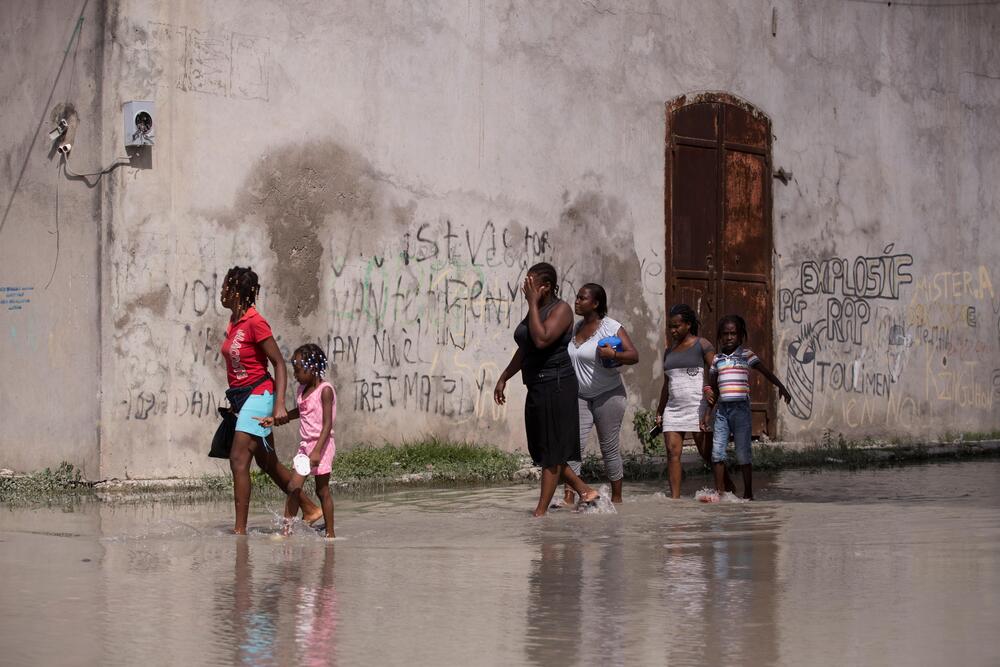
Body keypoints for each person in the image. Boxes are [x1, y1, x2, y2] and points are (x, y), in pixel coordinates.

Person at [219, 266, 321, 534]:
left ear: (237, 291)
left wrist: (278, 404)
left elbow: (278, 363)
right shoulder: (233, 322)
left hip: (261, 394)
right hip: (244, 398)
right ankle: (310, 508)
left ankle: (239, 532)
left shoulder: (255, 322)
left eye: (225, 286)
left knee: (238, 460)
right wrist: (237, 404)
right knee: (268, 464)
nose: (221, 292)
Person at [494, 262, 600, 517]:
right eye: (526, 282)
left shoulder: (561, 310)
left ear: (547, 287)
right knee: (542, 451)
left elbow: (541, 340)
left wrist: (531, 303)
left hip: (556, 384)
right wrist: (505, 376)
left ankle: (539, 514)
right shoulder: (537, 309)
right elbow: (526, 347)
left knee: (552, 454)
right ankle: (585, 491)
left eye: (532, 283)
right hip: (538, 386)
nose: (526, 287)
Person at [561, 283, 638, 505]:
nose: (576, 301)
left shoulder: (611, 327)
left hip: (609, 395)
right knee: (572, 447)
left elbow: (634, 355)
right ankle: (568, 498)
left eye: (582, 298)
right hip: (580, 396)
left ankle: (617, 499)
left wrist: (613, 353)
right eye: (577, 297)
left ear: (595, 303)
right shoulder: (575, 328)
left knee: (609, 448)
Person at [702, 315, 791, 500]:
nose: (729, 337)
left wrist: (781, 387)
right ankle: (720, 493)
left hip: (741, 410)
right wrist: (707, 413)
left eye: (733, 333)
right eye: (725, 334)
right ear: (720, 336)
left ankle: (748, 493)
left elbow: (766, 372)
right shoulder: (717, 360)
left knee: (743, 452)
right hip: (722, 412)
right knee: (717, 452)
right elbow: (714, 389)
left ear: (740, 335)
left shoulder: (746, 355)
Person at [258, 344, 337, 537]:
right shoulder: (303, 389)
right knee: (293, 487)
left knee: (322, 490)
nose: (295, 375)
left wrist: (317, 450)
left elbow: (327, 425)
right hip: (305, 447)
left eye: (298, 370)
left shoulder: (325, 390)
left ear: (312, 368)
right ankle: (287, 531)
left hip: (322, 445)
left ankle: (331, 534)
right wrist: (275, 419)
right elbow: (300, 412)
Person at [654, 304, 731, 498]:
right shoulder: (668, 351)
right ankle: (675, 500)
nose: (672, 330)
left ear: (688, 325)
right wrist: (660, 410)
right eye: (670, 326)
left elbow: (716, 370)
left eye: (676, 326)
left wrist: (711, 394)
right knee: (673, 454)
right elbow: (666, 384)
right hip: (673, 409)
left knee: (708, 455)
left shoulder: (701, 344)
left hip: (698, 407)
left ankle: (727, 491)